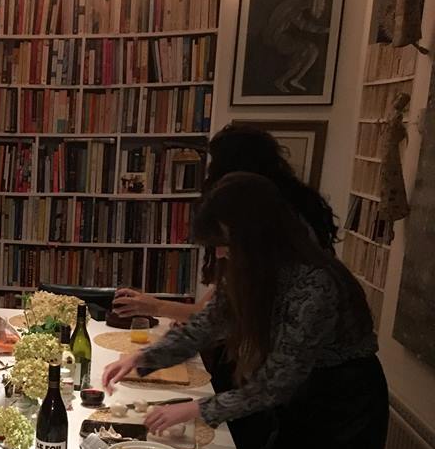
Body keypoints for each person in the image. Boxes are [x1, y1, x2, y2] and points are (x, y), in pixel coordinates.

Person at [103, 172, 388, 449]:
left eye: (225, 242)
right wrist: (143, 359)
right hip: (303, 395)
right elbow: (205, 326)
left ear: (256, 235)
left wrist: (197, 409)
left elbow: (276, 384)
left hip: (347, 404)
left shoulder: (316, 286)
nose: (220, 253)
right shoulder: (252, 269)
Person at [111, 123, 340, 323]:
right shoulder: (288, 208)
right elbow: (215, 308)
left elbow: (222, 315)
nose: (221, 253)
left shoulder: (263, 223)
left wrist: (157, 307)